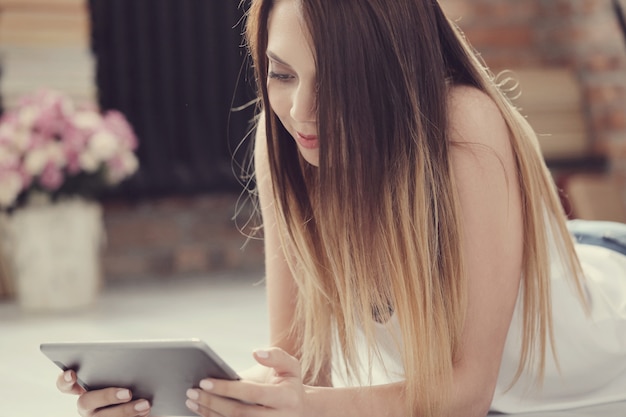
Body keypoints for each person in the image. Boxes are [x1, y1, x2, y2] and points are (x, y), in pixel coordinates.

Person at [56, 0, 626, 416]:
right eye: (282, 74)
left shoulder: (463, 127)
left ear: (392, 75)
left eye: (337, 83)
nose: (301, 112)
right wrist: (171, 400)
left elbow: (466, 393)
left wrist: (306, 407)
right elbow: (297, 366)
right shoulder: (282, 144)